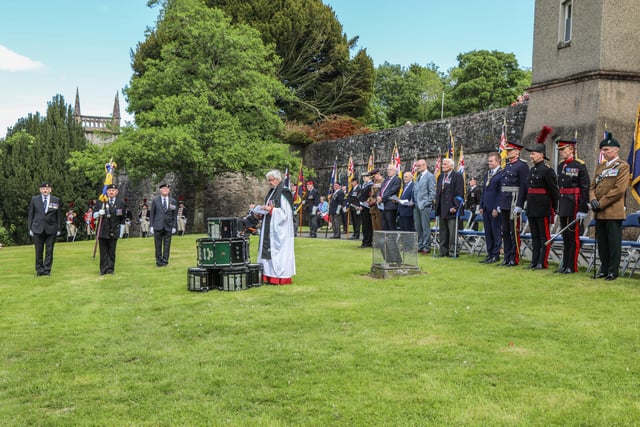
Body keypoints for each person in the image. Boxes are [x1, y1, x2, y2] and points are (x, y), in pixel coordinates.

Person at [589, 133, 630, 281]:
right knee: (603, 243)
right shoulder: (601, 166)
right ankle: (603, 268)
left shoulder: (623, 166)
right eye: (602, 150)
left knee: (613, 244)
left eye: (606, 149)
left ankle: (613, 271)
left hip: (613, 211)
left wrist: (601, 203)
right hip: (599, 212)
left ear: (616, 150)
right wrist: (593, 200)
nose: (603, 152)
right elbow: (592, 186)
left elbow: (619, 190)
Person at [524, 127, 560, 270]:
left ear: (541, 155)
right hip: (532, 207)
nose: (531, 156)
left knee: (543, 236)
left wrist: (555, 207)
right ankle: (534, 261)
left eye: (533, 154)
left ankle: (542, 262)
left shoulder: (547, 170)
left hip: (543, 207)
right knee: (534, 235)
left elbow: (554, 191)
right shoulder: (532, 170)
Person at [555, 139, 590, 274]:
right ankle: (564, 265)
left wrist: (582, 208)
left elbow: (584, 187)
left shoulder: (579, 165)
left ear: (571, 150)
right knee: (565, 236)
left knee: (573, 237)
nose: (562, 153)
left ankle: (571, 265)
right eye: (560, 150)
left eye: (564, 150)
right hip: (563, 202)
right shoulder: (561, 165)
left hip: (574, 202)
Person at [257, 169, 296, 285]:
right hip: (269, 226)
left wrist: (271, 210)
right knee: (267, 251)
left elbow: (287, 214)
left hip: (280, 229)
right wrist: (261, 212)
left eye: (271, 180)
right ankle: (268, 276)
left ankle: (279, 277)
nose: (269, 182)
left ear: (277, 179)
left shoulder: (284, 192)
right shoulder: (272, 192)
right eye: (268, 180)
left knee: (278, 252)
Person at [497, 141, 529, 267]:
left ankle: (514, 257)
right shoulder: (507, 166)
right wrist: (500, 202)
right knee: (505, 231)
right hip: (505, 201)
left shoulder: (522, 166)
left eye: (510, 151)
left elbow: (523, 186)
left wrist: (520, 204)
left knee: (513, 231)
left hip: (514, 200)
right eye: (508, 151)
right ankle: (506, 257)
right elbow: (502, 186)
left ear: (517, 152)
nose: (508, 153)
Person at [27, 182, 62, 276]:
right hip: (37, 228)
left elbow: (58, 215)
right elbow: (31, 214)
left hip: (51, 229)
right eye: (43, 189)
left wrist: (58, 228)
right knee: (38, 250)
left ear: (50, 190)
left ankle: (47, 270)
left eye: (47, 189)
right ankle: (39, 270)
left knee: (49, 250)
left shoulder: (56, 200)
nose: (45, 190)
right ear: (40, 190)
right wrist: (30, 228)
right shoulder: (34, 199)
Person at [434, 158, 465, 257]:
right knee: (443, 231)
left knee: (452, 232)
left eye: (445, 164)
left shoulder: (457, 176)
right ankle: (443, 251)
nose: (443, 166)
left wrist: (455, 206)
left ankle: (453, 251)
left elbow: (459, 193)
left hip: (452, 208)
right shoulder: (440, 177)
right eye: (443, 164)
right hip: (442, 207)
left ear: (451, 166)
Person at [93, 184, 125, 275]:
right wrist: (99, 213)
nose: (111, 192)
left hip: (114, 229)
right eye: (109, 190)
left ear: (117, 192)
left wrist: (121, 230)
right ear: (106, 191)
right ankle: (103, 269)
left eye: (113, 190)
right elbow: (93, 215)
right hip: (103, 230)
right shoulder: (101, 202)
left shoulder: (121, 203)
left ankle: (110, 269)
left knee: (112, 251)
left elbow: (122, 217)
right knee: (103, 251)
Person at [479, 153, 503, 264]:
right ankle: (489, 254)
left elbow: (500, 192)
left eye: (491, 161)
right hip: (486, 207)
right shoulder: (488, 174)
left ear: (498, 161)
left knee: (495, 231)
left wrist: (496, 207)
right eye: (489, 161)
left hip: (494, 207)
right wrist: (481, 205)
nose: (489, 163)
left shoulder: (501, 174)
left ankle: (496, 254)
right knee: (488, 232)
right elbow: (484, 191)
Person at [150, 183, 178, 267]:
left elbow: (174, 215)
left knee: (167, 244)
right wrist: (151, 226)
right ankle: (159, 261)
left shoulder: (173, 201)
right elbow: (152, 214)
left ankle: (165, 260)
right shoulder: (155, 201)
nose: (166, 190)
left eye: (167, 189)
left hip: (168, 225)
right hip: (158, 225)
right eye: (164, 189)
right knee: (158, 244)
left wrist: (174, 226)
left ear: (169, 190)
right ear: (160, 190)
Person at [413, 159, 436, 254]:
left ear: (424, 165)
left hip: (424, 206)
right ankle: (420, 244)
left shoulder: (430, 176)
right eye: (417, 166)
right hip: (416, 205)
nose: (417, 168)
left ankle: (426, 246)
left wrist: (427, 203)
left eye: (419, 166)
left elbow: (432, 192)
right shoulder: (418, 177)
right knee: (418, 227)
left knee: (425, 226)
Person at [376, 164, 402, 230]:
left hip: (390, 205)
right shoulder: (386, 180)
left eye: (390, 169)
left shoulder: (397, 179)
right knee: (384, 225)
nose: (388, 171)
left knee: (391, 225)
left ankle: (392, 240)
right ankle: (386, 240)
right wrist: (378, 196)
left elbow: (392, 191)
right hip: (382, 205)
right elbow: (380, 189)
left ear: (395, 171)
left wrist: (382, 198)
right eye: (388, 169)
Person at [358, 172, 374, 248]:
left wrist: (363, 206)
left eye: (365, 177)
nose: (364, 178)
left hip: (367, 207)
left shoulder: (370, 185)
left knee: (367, 225)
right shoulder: (364, 185)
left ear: (369, 177)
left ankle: (368, 241)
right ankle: (365, 241)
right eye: (363, 177)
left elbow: (369, 197)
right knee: (364, 225)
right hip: (363, 206)